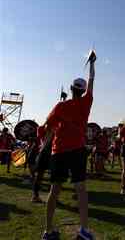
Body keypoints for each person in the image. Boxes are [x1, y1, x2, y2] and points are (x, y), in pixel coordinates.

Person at [40, 57, 95, 240]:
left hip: (59, 151)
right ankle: (85, 230)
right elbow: (92, 80)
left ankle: (48, 231)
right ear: (84, 90)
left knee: (54, 190)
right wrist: (93, 64)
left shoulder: (60, 106)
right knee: (80, 189)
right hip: (77, 150)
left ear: (71, 90)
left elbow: (48, 128)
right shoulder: (86, 103)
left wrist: (43, 145)